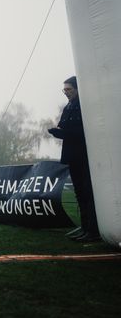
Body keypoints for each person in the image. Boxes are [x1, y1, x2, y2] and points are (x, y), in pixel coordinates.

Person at [48, 76, 100, 242]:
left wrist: (61, 133)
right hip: (72, 155)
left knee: (88, 193)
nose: (66, 93)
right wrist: (58, 132)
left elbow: (82, 132)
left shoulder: (85, 106)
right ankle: (85, 228)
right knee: (79, 193)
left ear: (78, 89)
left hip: (84, 155)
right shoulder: (69, 106)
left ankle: (93, 230)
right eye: (64, 90)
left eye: (69, 89)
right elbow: (65, 127)